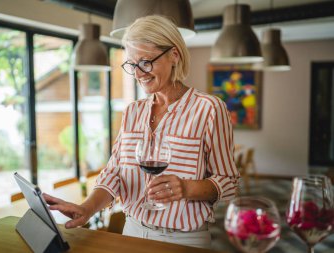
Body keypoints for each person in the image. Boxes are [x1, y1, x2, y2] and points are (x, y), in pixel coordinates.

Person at [44, 15, 240, 249]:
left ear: (174, 55)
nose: (138, 73)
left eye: (146, 62)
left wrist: (186, 188)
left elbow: (229, 183)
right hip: (131, 231)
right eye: (131, 64)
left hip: (184, 240)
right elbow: (114, 173)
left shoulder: (208, 109)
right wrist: (86, 209)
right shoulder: (132, 112)